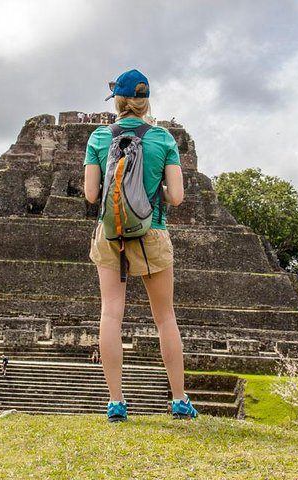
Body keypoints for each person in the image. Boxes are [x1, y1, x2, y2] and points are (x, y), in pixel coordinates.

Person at [84, 68, 198, 422]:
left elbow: (91, 195)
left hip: (111, 232)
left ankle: (116, 403)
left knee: (110, 314)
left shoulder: (100, 138)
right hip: (152, 231)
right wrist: (156, 190)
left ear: (117, 101)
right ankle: (179, 400)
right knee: (165, 317)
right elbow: (177, 196)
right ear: (145, 101)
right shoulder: (164, 139)